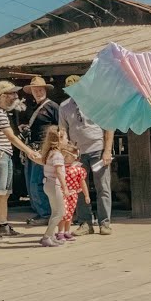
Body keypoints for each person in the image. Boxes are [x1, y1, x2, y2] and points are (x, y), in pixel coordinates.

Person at [0, 80, 41, 242]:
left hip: (2, 154)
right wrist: (29, 151)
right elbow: (11, 137)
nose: (16, 96)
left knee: (4, 193)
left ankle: (4, 225)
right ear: (2, 96)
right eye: (12, 94)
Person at [59, 75, 114, 235]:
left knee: (102, 186)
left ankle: (105, 223)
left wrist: (108, 150)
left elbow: (109, 126)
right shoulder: (64, 106)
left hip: (98, 149)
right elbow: (63, 131)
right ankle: (85, 223)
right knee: (79, 188)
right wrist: (66, 153)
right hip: (77, 154)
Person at [20, 76, 60, 225]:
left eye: (40, 89)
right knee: (31, 183)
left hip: (44, 148)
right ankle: (40, 212)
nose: (38, 92)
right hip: (31, 148)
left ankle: (46, 214)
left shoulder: (53, 106)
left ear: (45, 90)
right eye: (35, 90)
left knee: (37, 181)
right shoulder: (31, 107)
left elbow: (60, 129)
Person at [37, 125, 72, 247]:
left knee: (55, 211)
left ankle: (51, 236)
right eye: (66, 138)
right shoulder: (57, 155)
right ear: (59, 139)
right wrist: (65, 188)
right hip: (54, 184)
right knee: (60, 212)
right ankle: (47, 237)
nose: (67, 141)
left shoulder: (49, 153)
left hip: (48, 184)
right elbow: (58, 172)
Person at [58, 145, 88, 241]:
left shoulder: (78, 170)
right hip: (62, 193)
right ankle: (60, 232)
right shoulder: (60, 168)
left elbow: (82, 183)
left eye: (67, 156)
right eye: (63, 156)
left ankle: (67, 231)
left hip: (73, 194)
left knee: (70, 214)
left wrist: (86, 195)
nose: (65, 158)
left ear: (75, 157)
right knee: (63, 213)